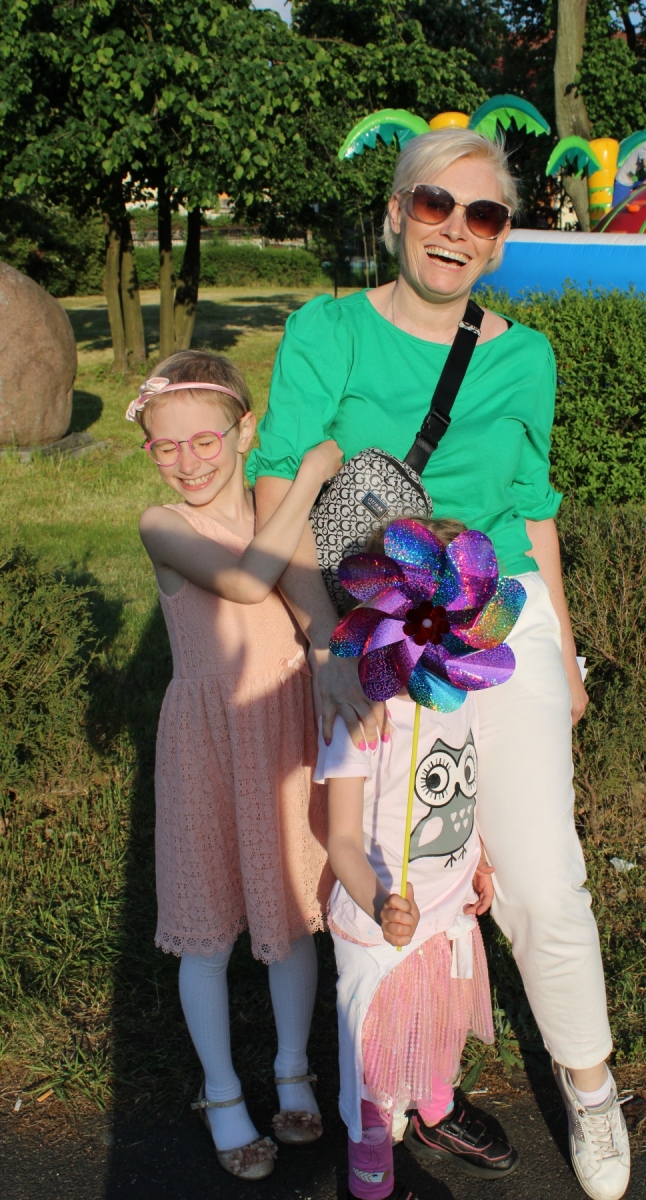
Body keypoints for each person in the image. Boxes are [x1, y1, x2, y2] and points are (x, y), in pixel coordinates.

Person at [249, 127, 630, 1200]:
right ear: (394, 214)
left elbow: (533, 510)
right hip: (379, 628)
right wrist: (327, 640)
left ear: (501, 241)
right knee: (398, 873)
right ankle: (399, 1081)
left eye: (483, 215)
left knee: (541, 877)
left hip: (503, 619)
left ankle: (589, 1085)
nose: (455, 230)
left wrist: (564, 649)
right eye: (434, 205)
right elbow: (279, 486)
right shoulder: (327, 330)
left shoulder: (526, 355)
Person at [133, 350, 343, 1180]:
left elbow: (309, 596)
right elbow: (253, 585)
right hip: (209, 743)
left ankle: (293, 1070)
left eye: (205, 441)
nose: (187, 462)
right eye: (166, 445)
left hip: (281, 732)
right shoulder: (162, 523)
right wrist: (312, 474)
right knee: (209, 926)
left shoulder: (270, 510)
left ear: (244, 432)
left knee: (289, 912)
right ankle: (222, 1092)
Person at [318, 517, 517, 1200]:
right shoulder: (358, 718)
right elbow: (342, 841)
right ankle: (371, 1156)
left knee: (439, 1021)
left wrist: (478, 857)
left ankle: (435, 1108)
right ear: (382, 616)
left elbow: (463, 785)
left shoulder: (457, 695)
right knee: (373, 1056)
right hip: (385, 924)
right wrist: (380, 903)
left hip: (447, 907)